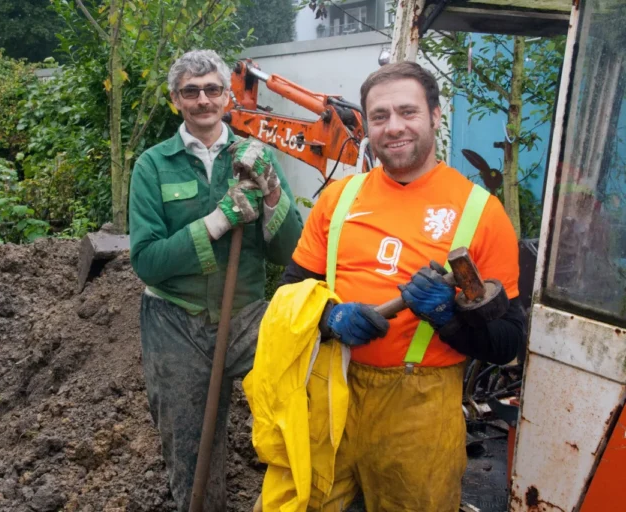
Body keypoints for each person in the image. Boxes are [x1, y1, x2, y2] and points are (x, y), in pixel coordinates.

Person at [279, 61, 526, 511]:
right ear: (367, 125)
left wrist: (448, 319)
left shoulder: (480, 212)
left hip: (421, 411)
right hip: (330, 396)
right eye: (380, 116)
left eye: (408, 112)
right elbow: (288, 294)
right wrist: (329, 318)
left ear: (435, 115)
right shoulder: (338, 199)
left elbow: (508, 341)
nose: (394, 127)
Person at [128, 49, 303, 511]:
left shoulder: (253, 155)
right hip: (175, 322)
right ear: (175, 100)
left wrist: (270, 194)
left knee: (300, 409)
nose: (203, 100)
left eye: (212, 90)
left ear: (228, 96)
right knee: (192, 450)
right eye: (191, 91)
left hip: (245, 316)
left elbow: (288, 253)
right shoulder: (153, 166)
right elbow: (147, 262)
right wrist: (217, 221)